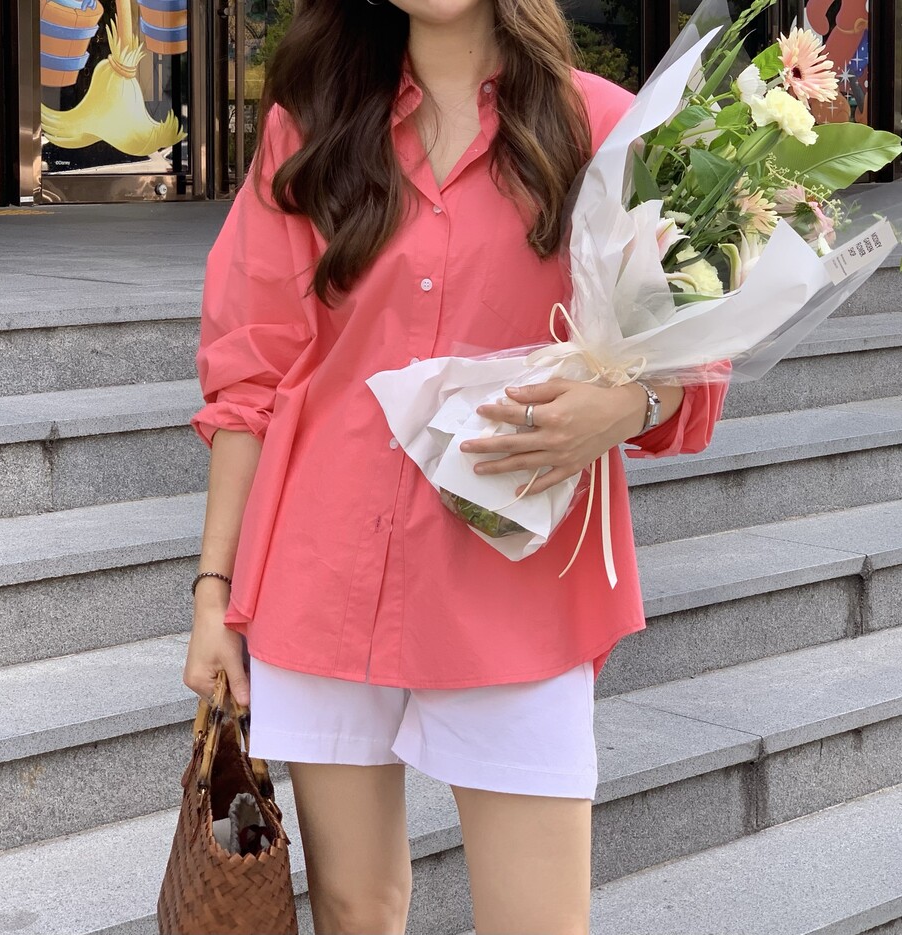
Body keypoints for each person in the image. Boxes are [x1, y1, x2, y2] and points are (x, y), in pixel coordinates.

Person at [183, 1, 728, 932]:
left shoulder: (602, 126)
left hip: (515, 586)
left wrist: (625, 406)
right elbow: (251, 375)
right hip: (323, 570)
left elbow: (695, 350)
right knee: (354, 908)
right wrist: (214, 592)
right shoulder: (309, 129)